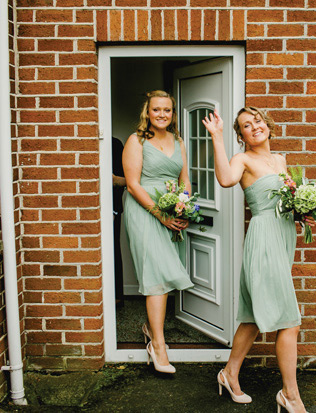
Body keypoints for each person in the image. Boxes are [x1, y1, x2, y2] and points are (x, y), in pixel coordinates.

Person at [202, 107, 309, 413]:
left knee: (250, 318)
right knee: (289, 321)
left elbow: (286, 201)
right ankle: (290, 395)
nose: (255, 127)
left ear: (268, 125)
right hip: (263, 242)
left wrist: (303, 212)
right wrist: (217, 137)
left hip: (283, 239)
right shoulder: (242, 160)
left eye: (257, 121)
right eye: (246, 126)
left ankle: (229, 374)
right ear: (242, 136)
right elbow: (224, 179)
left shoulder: (280, 161)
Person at [122, 90, 194, 374]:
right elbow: (133, 185)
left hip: (170, 210)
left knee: (163, 273)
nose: (162, 114)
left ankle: (150, 331)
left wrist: (183, 206)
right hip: (144, 210)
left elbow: (185, 179)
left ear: (172, 114)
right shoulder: (136, 140)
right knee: (157, 276)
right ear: (147, 113)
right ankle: (159, 346)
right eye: (156, 110)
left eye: (167, 110)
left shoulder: (178, 141)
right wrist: (160, 214)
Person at [112, 137, 126, 308]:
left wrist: (114, 210)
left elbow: (122, 179)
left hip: (113, 208)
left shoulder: (115, 144)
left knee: (114, 250)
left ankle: (117, 296)